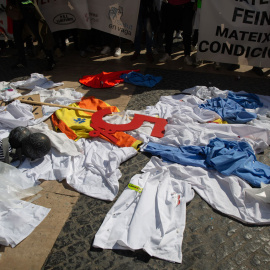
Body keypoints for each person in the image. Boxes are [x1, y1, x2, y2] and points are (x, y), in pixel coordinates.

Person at [7, 0, 56, 70]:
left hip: (28, 8)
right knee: (17, 36)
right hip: (17, 8)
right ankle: (21, 60)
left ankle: (50, 60)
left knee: (39, 34)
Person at [159, 0, 196, 65]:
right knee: (169, 30)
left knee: (187, 31)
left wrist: (195, 2)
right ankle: (167, 53)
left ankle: (187, 55)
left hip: (186, 5)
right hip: (171, 4)